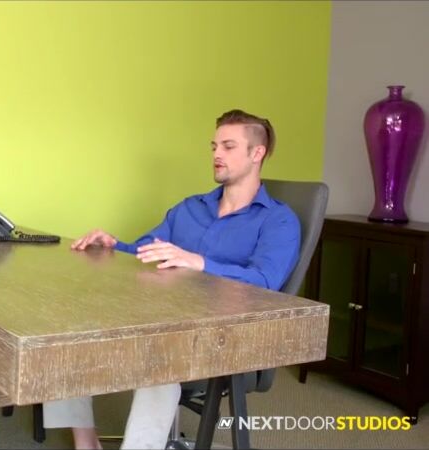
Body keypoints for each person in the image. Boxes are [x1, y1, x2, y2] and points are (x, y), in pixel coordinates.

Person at [43, 109, 301, 449]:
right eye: (214, 146)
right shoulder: (190, 208)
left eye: (228, 146)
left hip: (225, 336)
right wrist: (113, 245)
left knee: (161, 359)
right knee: (63, 329)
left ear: (257, 153)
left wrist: (199, 262)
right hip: (163, 316)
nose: (217, 154)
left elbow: (265, 281)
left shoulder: (279, 220)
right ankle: (85, 442)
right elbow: (147, 250)